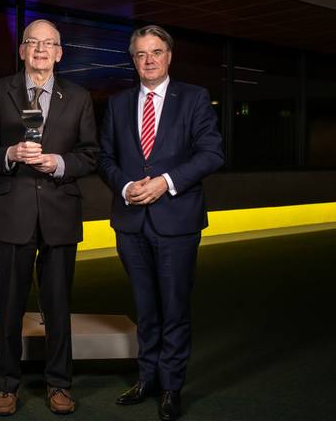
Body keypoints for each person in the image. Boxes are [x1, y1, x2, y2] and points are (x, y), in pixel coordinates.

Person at [97, 25, 224, 421]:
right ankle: (147, 377)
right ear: (133, 60)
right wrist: (125, 185)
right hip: (131, 222)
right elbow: (104, 159)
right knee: (145, 308)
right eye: (140, 54)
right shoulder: (117, 104)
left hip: (177, 221)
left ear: (169, 56)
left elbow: (211, 153)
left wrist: (166, 183)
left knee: (174, 307)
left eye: (156, 52)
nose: (148, 60)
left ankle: (171, 386)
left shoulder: (194, 99)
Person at [0, 19, 98, 416]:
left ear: (60, 53)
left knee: (58, 305)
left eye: (50, 44)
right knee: (9, 306)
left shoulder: (79, 97)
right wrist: (10, 155)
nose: (41, 49)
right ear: (22, 50)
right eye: (34, 42)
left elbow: (90, 154)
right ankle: (7, 386)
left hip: (60, 210)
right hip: (13, 210)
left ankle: (59, 384)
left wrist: (59, 162)